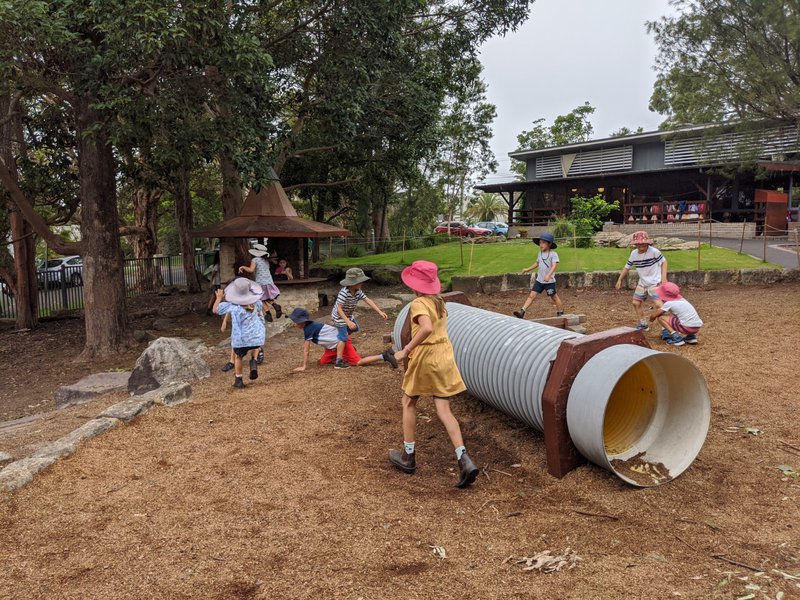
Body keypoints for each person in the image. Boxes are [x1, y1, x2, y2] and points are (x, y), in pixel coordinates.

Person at [388, 261, 478, 488]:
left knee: (408, 401)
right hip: (444, 355)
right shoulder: (440, 302)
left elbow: (426, 328)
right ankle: (463, 459)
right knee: (444, 409)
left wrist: (405, 350)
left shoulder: (418, 303)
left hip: (427, 356)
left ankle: (408, 456)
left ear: (414, 285)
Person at [287, 307, 397, 371]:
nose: (294, 324)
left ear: (302, 321)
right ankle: (346, 353)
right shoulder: (311, 326)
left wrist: (304, 366)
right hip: (331, 347)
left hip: (341, 342)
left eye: (295, 321)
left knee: (358, 362)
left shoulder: (309, 329)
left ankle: (384, 356)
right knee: (322, 362)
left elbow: (306, 350)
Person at [213, 277, 266, 388]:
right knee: (255, 345)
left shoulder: (233, 307)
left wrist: (218, 298)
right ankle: (253, 361)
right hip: (256, 336)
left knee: (238, 357)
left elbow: (215, 310)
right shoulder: (256, 303)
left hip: (240, 339)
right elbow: (261, 307)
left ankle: (239, 380)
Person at [330, 267, 388, 369]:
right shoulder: (344, 293)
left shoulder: (358, 291)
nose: (362, 283)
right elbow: (339, 309)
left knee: (356, 327)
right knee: (344, 337)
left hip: (348, 316)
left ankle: (341, 337)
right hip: (339, 317)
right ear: (352, 283)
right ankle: (338, 361)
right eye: (360, 281)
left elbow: (368, 300)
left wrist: (380, 311)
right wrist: (347, 322)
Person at [615, 231, 667, 330]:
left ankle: (665, 329)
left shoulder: (654, 251)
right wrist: (620, 279)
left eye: (643, 245)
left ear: (648, 243)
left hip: (654, 283)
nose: (641, 247)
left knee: (659, 304)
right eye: (639, 245)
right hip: (642, 283)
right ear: (635, 244)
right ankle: (643, 324)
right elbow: (627, 267)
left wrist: (663, 277)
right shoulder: (634, 254)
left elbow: (664, 262)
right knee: (636, 303)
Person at [513, 232, 564, 319]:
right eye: (540, 242)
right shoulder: (539, 254)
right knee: (531, 295)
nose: (541, 244)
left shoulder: (553, 254)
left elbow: (554, 265)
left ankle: (561, 313)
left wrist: (548, 275)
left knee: (554, 297)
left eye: (543, 242)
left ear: (549, 244)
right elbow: (537, 264)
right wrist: (528, 269)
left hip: (549, 281)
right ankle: (522, 311)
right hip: (539, 280)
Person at [649, 282, 702, 346]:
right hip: (697, 327)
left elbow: (655, 315)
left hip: (686, 328)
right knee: (682, 316)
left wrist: (651, 318)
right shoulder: (683, 300)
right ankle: (691, 337)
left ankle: (677, 338)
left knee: (661, 318)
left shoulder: (669, 303)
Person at [238, 243, 282, 321]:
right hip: (269, 281)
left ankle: (268, 314)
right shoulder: (266, 260)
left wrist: (243, 267)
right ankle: (274, 306)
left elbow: (251, 270)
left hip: (261, 282)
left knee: (260, 298)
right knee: (263, 297)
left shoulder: (255, 260)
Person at [205, 251, 221, 316]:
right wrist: (210, 282)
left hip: (218, 282)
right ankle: (209, 309)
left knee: (215, 296)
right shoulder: (217, 265)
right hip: (217, 283)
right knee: (215, 296)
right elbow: (213, 275)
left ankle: (210, 309)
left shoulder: (218, 264)